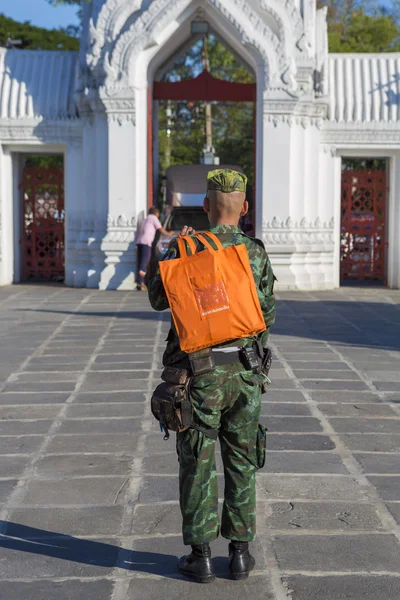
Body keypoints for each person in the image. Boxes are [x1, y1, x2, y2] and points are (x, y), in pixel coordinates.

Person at [147, 169, 276, 583]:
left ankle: (200, 556)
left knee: (198, 461)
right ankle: (240, 554)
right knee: (242, 459)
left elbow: (155, 297)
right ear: (245, 208)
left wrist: (173, 247)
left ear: (206, 206)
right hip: (245, 373)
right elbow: (267, 314)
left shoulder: (185, 247)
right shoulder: (255, 252)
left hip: (198, 376)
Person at [135, 207, 172, 291]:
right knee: (144, 262)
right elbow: (161, 229)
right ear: (156, 213)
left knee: (140, 262)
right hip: (146, 243)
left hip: (140, 242)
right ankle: (141, 282)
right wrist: (169, 233)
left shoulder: (146, 219)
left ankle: (139, 280)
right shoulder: (153, 218)